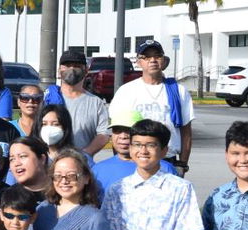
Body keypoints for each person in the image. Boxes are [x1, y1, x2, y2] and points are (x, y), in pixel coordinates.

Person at [111, 40, 193, 172]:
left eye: (157, 56)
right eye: (147, 57)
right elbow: (118, 132)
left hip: (168, 160)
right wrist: (121, 163)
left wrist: (182, 164)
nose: (153, 60)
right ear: (139, 62)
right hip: (135, 160)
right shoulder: (126, 91)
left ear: (164, 61)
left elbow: (186, 132)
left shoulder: (178, 91)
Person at [43, 50, 110, 155]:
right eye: (67, 65)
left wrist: (85, 154)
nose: (71, 69)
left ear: (86, 70)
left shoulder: (96, 103)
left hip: (82, 164)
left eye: (76, 65)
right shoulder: (47, 98)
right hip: (50, 163)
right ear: (59, 70)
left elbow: (104, 133)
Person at [93, 107, 174, 192]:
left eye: (128, 130)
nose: (123, 136)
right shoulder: (97, 169)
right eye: (117, 130)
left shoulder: (165, 168)